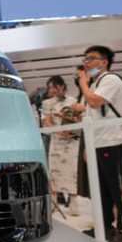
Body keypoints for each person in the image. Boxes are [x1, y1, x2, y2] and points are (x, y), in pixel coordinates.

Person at [72, 45, 122, 242]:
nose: (87, 62)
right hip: (98, 143)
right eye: (85, 59)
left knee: (119, 189)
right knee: (102, 190)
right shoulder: (95, 83)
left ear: (104, 62)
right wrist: (88, 147)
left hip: (114, 142)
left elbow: (94, 102)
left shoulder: (110, 79)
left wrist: (83, 83)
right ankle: (106, 227)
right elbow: (89, 115)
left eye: (91, 58)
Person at [41, 75, 81, 216]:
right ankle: (54, 202)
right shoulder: (47, 103)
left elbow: (78, 118)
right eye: (50, 87)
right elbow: (46, 121)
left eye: (54, 87)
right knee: (54, 171)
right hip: (57, 141)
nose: (52, 90)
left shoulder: (73, 101)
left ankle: (74, 203)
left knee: (72, 172)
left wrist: (71, 130)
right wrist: (58, 132)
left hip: (72, 141)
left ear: (62, 86)